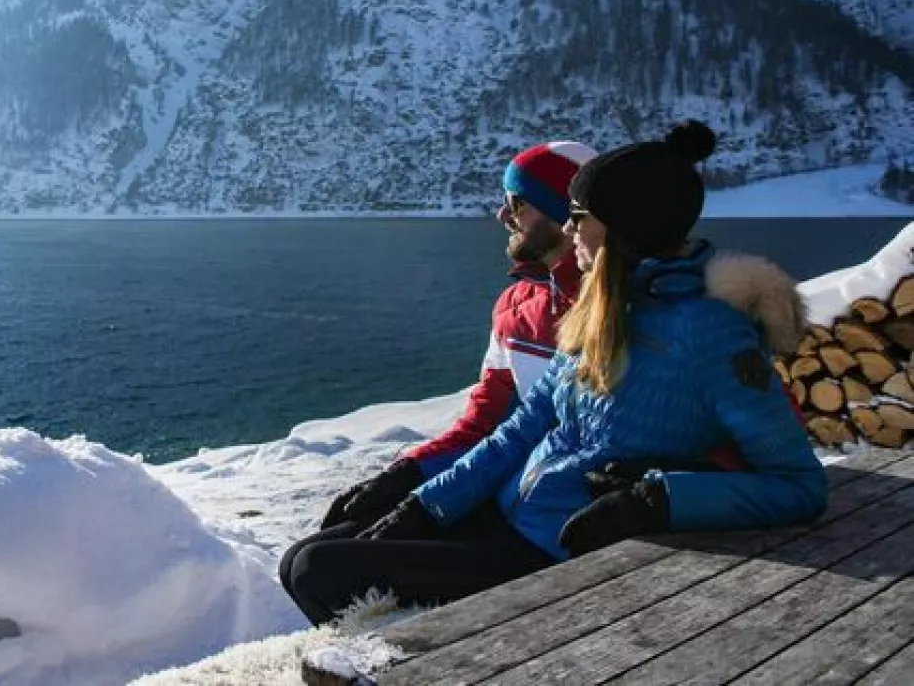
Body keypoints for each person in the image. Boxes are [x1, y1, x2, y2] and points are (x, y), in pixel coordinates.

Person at [280, 121, 826, 625]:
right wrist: (423, 505)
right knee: (306, 556)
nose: (570, 230)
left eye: (579, 217)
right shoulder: (599, 312)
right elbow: (518, 429)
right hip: (518, 512)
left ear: (620, 228)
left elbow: (798, 485)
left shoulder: (712, 333)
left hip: (560, 550)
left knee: (320, 572)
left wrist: (658, 499)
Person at [314, 139, 597, 533]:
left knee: (324, 567)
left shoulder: (609, 309)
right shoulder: (514, 307)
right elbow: (487, 421)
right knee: (331, 540)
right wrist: (410, 472)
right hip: (497, 483)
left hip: (557, 514)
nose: (502, 215)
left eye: (517, 203)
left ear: (561, 214)